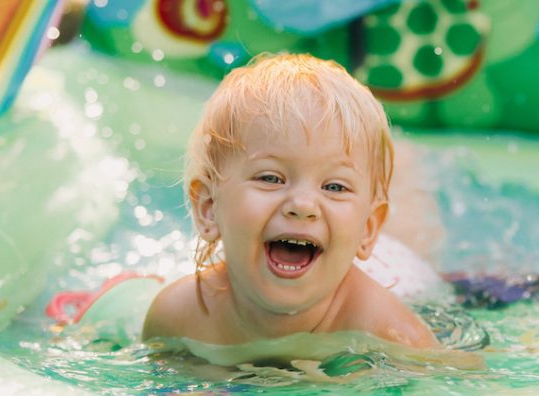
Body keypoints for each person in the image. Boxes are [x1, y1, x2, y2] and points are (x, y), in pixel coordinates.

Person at [141, 53, 443, 350]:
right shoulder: (178, 319)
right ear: (209, 208)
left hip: (396, 270)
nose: (302, 205)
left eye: (335, 186)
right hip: (330, 239)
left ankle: (404, 161)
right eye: (270, 179)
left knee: (412, 227)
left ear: (368, 228)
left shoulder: (390, 334)